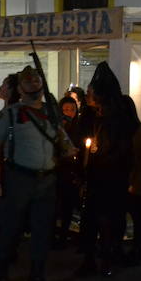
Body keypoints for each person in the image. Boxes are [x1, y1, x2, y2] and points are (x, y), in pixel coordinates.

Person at [0, 66, 74, 281]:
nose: (34, 85)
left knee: (42, 230)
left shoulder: (51, 112)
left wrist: (68, 149)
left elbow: (63, 141)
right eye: (28, 82)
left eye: (37, 81)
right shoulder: (11, 113)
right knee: (11, 228)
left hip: (47, 178)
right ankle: (3, 272)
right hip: (19, 177)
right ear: (20, 88)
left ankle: (37, 276)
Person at [77, 62, 135, 278]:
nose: (88, 94)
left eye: (92, 91)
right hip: (95, 177)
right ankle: (90, 259)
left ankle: (108, 257)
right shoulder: (92, 116)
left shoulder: (118, 117)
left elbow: (123, 148)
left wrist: (104, 157)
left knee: (109, 219)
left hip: (112, 177)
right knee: (91, 219)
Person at [121, 95, 141, 266]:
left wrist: (135, 184)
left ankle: (137, 249)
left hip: (134, 182)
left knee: (137, 214)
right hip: (127, 180)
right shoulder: (128, 130)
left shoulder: (139, 133)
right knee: (132, 214)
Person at [53, 96, 83, 249]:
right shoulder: (57, 127)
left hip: (72, 171)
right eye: (65, 109)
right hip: (57, 170)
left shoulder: (79, 127)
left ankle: (64, 235)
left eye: (72, 109)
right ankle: (53, 235)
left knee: (68, 206)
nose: (69, 113)